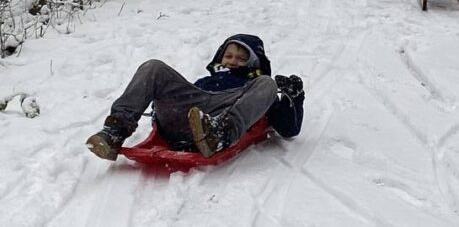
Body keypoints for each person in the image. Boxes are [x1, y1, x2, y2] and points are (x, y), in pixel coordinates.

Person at [86, 34, 305, 160]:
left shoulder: (254, 87)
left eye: (241, 58)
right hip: (188, 114)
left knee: (268, 83)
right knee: (154, 67)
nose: (232, 61)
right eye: (228, 55)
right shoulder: (204, 81)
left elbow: (289, 129)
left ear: (254, 63)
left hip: (222, 114)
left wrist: (293, 98)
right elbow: (182, 98)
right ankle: (115, 131)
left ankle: (219, 134)